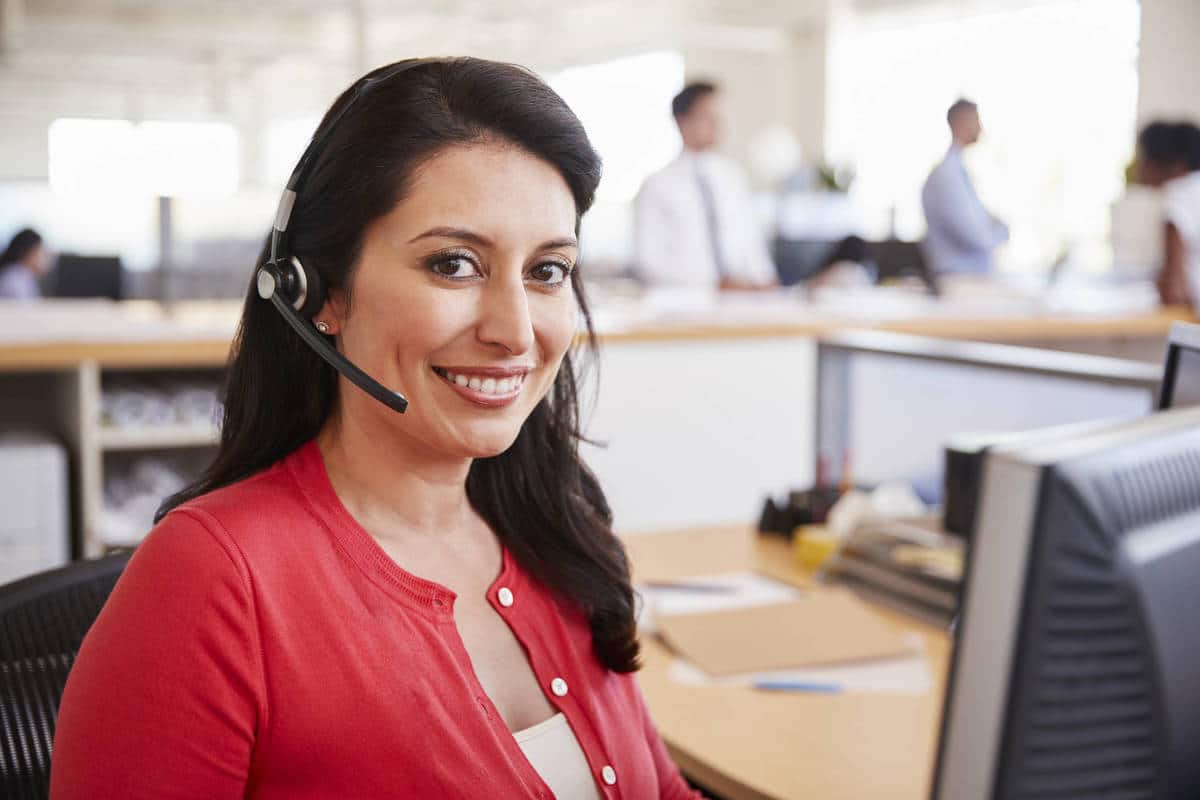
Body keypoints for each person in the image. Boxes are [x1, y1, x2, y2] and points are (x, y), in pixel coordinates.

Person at [51, 58, 701, 800]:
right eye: (454, 264)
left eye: (547, 271)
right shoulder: (214, 581)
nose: (515, 332)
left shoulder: (554, 529)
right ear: (322, 294)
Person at [634, 81, 777, 290]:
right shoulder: (657, 185)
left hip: (743, 301)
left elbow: (751, 242)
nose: (717, 123)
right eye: (708, 116)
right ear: (682, 121)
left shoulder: (733, 176)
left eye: (719, 116)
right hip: (685, 303)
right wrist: (715, 284)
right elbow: (649, 262)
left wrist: (764, 278)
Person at [920, 99, 1009, 275]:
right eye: (977, 119)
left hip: (967, 277)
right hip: (957, 278)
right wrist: (1001, 232)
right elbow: (975, 236)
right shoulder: (947, 175)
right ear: (961, 122)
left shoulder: (958, 172)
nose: (981, 128)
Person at [1133, 120, 1200, 308]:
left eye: (1145, 158)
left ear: (1175, 164)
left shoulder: (1179, 197)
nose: (1140, 166)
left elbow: (1174, 289)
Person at [0, 227, 47, 299]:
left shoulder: (26, 276)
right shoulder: (14, 280)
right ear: (30, 253)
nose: (45, 257)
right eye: (41, 252)